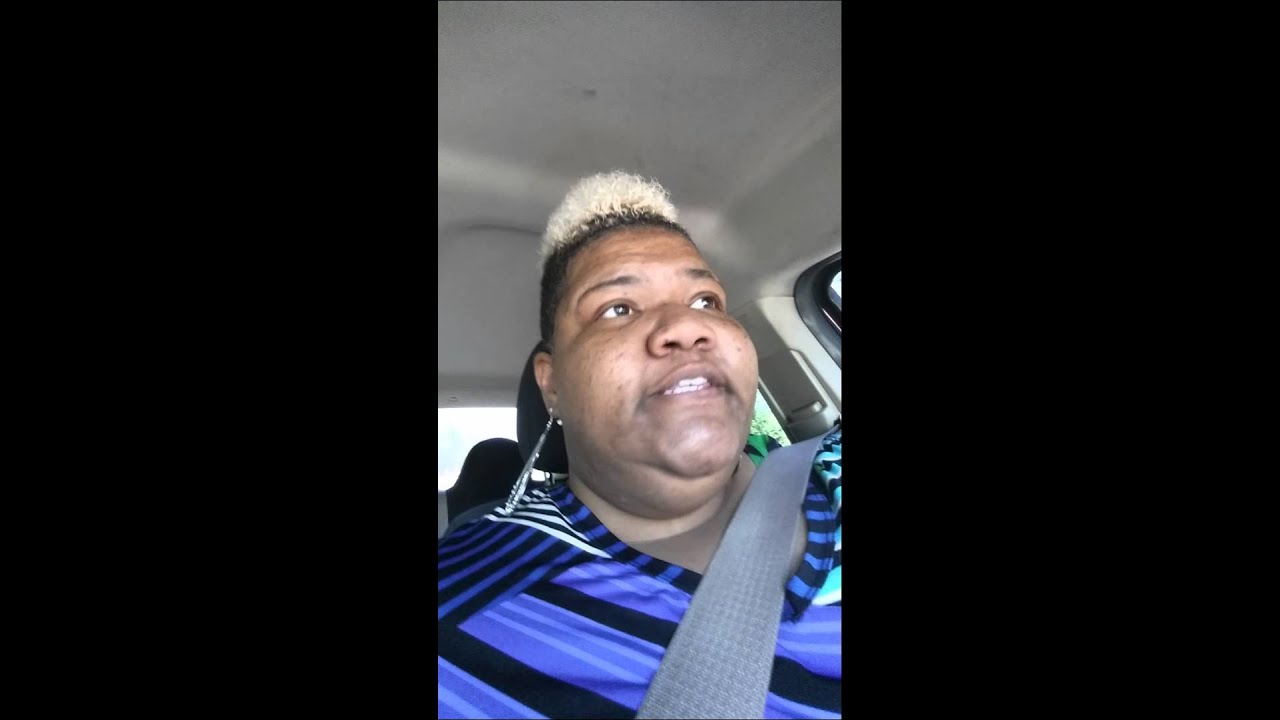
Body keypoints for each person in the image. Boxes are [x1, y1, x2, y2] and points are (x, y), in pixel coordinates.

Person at [437, 171, 842, 719]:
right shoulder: (468, 602)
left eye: (706, 300)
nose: (685, 326)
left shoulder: (829, 466)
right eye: (618, 309)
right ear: (552, 385)